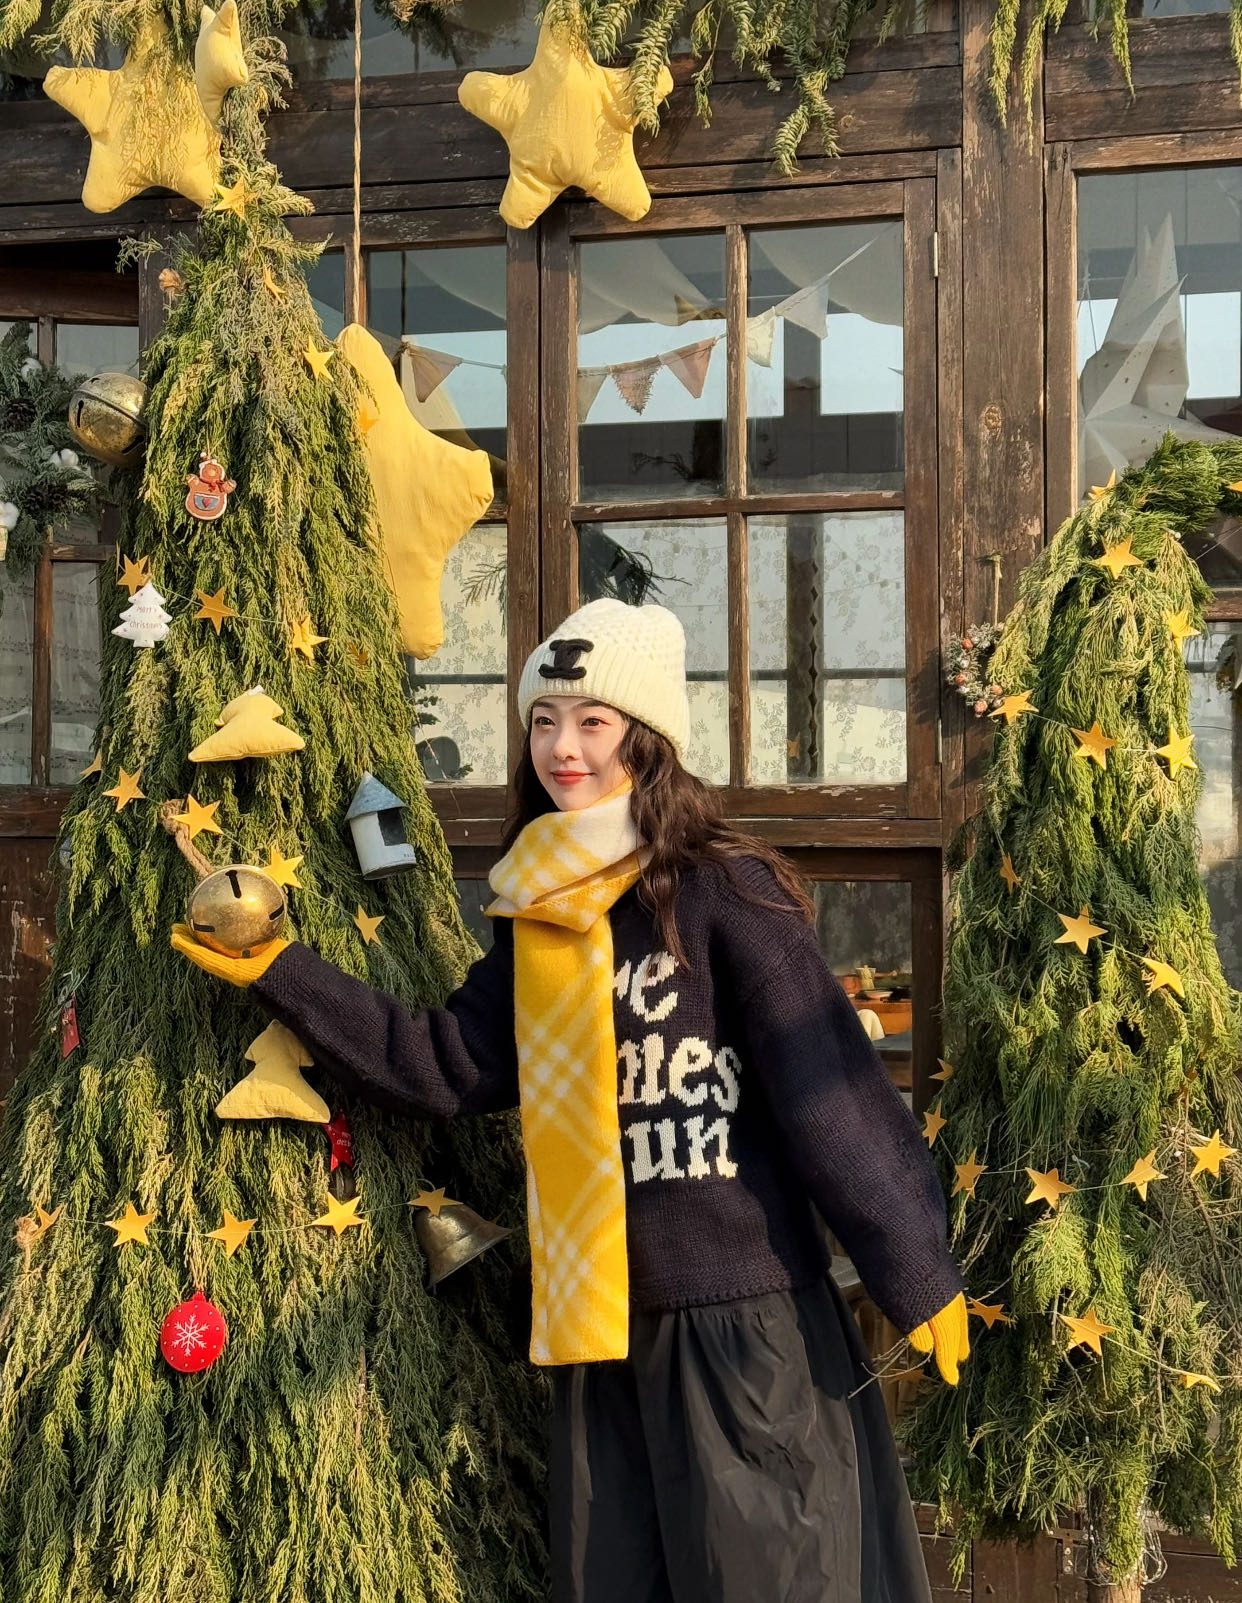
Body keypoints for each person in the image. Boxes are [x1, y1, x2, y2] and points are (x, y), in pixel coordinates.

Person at [173, 597, 969, 1603]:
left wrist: (914, 1266)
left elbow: (830, 1089)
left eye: (593, 721)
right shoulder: (536, 913)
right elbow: (444, 1063)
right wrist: (280, 969)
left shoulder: (725, 891)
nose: (562, 747)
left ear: (647, 737)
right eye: (544, 721)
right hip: (598, 1335)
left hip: (744, 1327)